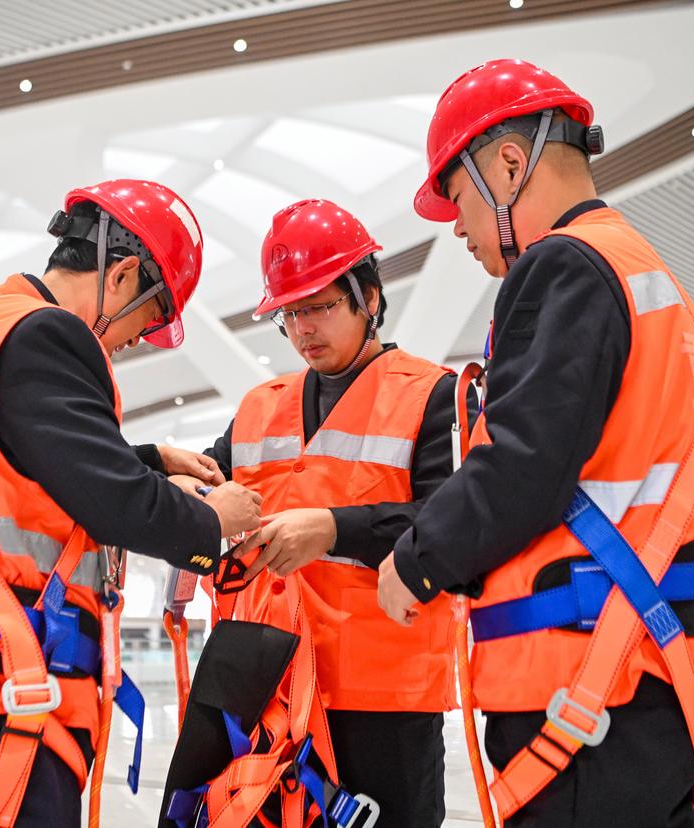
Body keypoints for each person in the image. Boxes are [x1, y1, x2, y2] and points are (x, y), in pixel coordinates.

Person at [377, 60, 694, 827]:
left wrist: (416, 560)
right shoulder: (643, 273)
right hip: (655, 682)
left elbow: (523, 464)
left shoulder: (563, 266)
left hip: (590, 692)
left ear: (510, 164)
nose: (458, 229)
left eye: (459, 200)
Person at [0, 180, 261, 827]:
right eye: (150, 317)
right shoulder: (49, 336)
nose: (139, 339)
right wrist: (215, 523)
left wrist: (150, 460)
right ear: (121, 275)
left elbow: (17, 469)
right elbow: (113, 503)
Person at [173, 199, 471, 827]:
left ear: (369, 298)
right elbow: (206, 487)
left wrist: (334, 528)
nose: (304, 328)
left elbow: (452, 525)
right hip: (266, 691)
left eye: (320, 307)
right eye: (290, 313)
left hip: (383, 700)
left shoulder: (433, 396)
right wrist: (186, 496)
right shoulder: (259, 407)